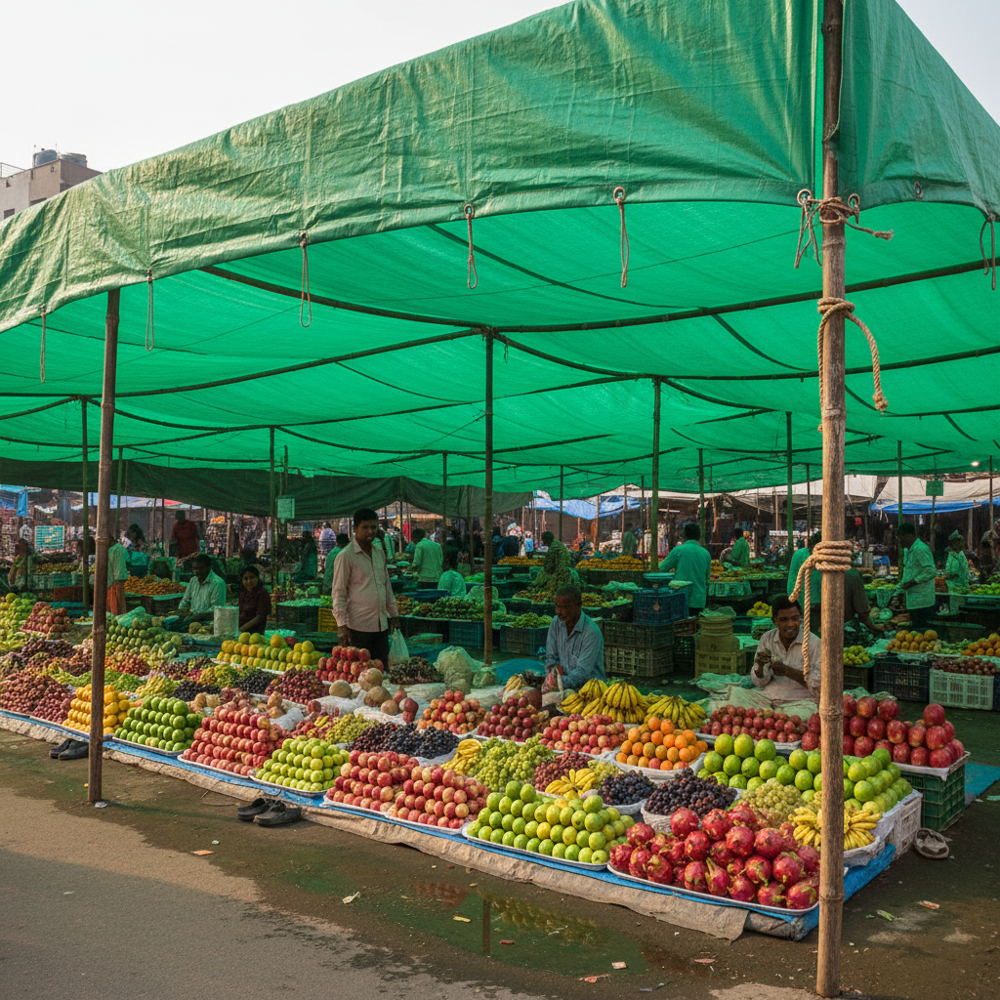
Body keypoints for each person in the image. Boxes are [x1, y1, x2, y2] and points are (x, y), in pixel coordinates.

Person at [332, 507, 400, 666]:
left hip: (381, 625)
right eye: (365, 527)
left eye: (373, 527)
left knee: (381, 671)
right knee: (360, 675)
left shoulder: (379, 553)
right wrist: (341, 626)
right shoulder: (345, 556)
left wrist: (394, 614)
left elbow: (386, 586)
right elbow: (339, 592)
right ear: (355, 529)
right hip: (358, 627)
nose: (370, 531)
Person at [751, 596, 822, 704]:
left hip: (802, 701)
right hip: (768, 699)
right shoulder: (767, 638)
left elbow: (819, 685)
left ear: (800, 618)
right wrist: (760, 667)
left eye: (795, 618)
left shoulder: (815, 643)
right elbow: (759, 683)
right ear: (775, 621)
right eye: (784, 620)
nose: (790, 624)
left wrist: (787, 671)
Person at [543, 585, 606, 690]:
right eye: (557, 606)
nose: (559, 611)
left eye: (565, 607)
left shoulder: (591, 631)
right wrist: (552, 670)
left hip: (590, 689)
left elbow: (582, 672)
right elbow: (550, 657)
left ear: (578, 606)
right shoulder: (555, 623)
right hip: (562, 686)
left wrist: (555, 682)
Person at [658, 522, 712, 616]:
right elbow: (707, 579)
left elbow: (662, 568)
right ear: (699, 536)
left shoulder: (678, 550)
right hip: (699, 600)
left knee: (681, 627)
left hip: (680, 599)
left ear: (684, 535)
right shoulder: (706, 553)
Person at [891, 523, 936, 631]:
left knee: (923, 633)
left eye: (901, 537)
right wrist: (900, 588)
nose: (899, 540)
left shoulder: (920, 549)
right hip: (913, 600)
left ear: (909, 536)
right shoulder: (908, 550)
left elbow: (931, 571)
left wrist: (912, 583)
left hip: (923, 601)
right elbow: (909, 572)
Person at [174, 553, 226, 629]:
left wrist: (196, 616)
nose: (197, 571)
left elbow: (216, 610)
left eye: (201, 568)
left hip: (208, 625)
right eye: (195, 568)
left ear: (208, 567)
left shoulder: (218, 583)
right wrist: (180, 613)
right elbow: (185, 601)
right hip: (191, 622)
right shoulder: (193, 580)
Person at [787, 531, 822, 618]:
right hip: (805, 605)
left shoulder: (827, 560)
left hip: (821, 605)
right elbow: (792, 583)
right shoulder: (800, 555)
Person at [238, 565, 272, 634]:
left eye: (252, 578)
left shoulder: (262, 593)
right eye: (246, 579)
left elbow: (259, 617)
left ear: (257, 578)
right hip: (241, 633)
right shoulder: (243, 594)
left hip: (255, 633)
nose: (249, 581)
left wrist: (241, 630)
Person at [943, 529, 970, 609]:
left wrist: (944, 577)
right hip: (960, 588)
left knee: (956, 610)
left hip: (956, 589)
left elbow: (953, 572)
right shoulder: (960, 554)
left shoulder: (955, 555)